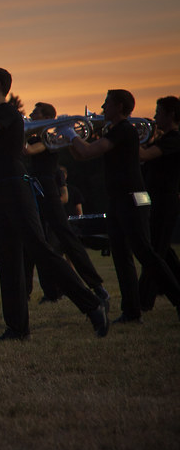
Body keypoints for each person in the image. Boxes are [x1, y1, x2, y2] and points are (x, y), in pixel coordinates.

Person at [0, 67, 108, 340]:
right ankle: (17, 328)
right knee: (9, 259)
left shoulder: (6, 113)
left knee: (40, 250)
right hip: (1, 190)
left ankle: (92, 305)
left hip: (15, 187)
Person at [64, 90, 180, 323]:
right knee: (121, 255)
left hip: (132, 199)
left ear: (118, 106)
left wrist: (69, 131)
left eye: (106, 103)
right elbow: (81, 157)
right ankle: (131, 311)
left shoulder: (124, 130)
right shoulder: (115, 131)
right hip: (118, 199)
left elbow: (87, 150)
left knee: (146, 253)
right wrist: (65, 139)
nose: (102, 107)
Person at [22, 103, 109, 309]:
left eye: (35, 112)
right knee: (34, 244)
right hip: (36, 189)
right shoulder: (38, 135)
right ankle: (40, 293)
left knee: (64, 237)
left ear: (46, 117)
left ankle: (96, 287)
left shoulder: (48, 138)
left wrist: (16, 132)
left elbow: (27, 151)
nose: (31, 115)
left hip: (47, 190)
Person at [138, 96, 180, 310]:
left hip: (165, 201)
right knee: (162, 251)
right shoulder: (164, 139)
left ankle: (143, 302)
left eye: (158, 112)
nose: (155, 116)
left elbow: (144, 154)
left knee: (153, 252)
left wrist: (126, 138)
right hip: (153, 200)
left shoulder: (174, 139)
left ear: (171, 114)